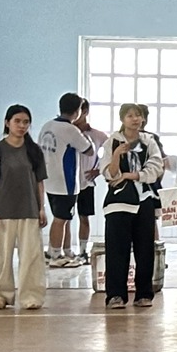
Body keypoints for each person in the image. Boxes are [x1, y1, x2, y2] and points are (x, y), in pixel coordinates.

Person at [0, 105, 49, 312]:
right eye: (17, 121)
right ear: (7, 123)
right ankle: (0, 295)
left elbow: (39, 182)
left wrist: (41, 208)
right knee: (0, 257)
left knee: (31, 257)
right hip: (3, 212)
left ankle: (31, 296)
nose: (21, 126)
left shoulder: (34, 151)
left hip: (29, 210)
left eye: (26, 122)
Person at [100, 104, 166, 310]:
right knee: (117, 250)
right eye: (130, 116)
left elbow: (156, 169)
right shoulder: (112, 142)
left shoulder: (149, 141)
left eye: (138, 116)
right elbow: (110, 175)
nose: (135, 119)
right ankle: (115, 295)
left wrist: (132, 175)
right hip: (119, 202)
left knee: (145, 248)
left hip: (144, 199)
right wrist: (116, 155)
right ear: (122, 119)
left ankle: (144, 294)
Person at [38, 95, 93, 269]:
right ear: (77, 111)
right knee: (61, 219)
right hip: (65, 182)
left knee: (63, 217)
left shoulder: (47, 125)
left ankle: (64, 250)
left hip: (49, 180)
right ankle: (54, 254)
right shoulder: (70, 130)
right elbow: (89, 150)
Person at [71, 97, 106, 265]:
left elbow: (111, 151)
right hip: (68, 182)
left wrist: (99, 169)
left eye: (76, 111)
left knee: (84, 218)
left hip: (86, 181)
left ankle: (83, 251)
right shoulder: (67, 132)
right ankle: (64, 252)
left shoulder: (98, 135)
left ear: (84, 112)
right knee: (64, 218)